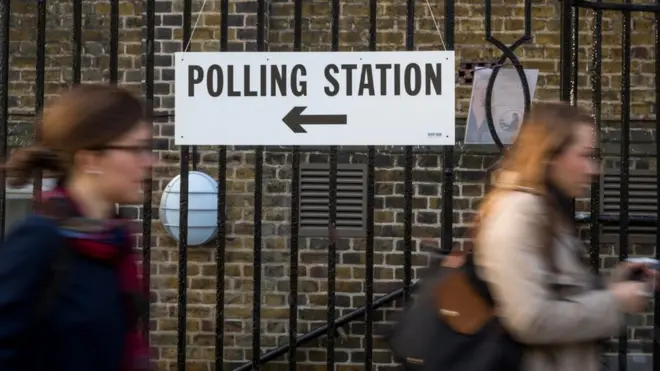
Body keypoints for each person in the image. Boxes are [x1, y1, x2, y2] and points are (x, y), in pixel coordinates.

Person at [473, 102, 651, 371]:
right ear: (550, 155)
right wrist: (615, 302)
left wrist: (613, 284)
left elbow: (558, 294)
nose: (595, 170)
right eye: (585, 156)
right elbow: (530, 319)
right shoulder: (519, 212)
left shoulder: (547, 208)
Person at [0, 84, 154, 371]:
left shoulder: (115, 245)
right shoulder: (39, 240)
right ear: (90, 160)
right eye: (136, 149)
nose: (150, 161)